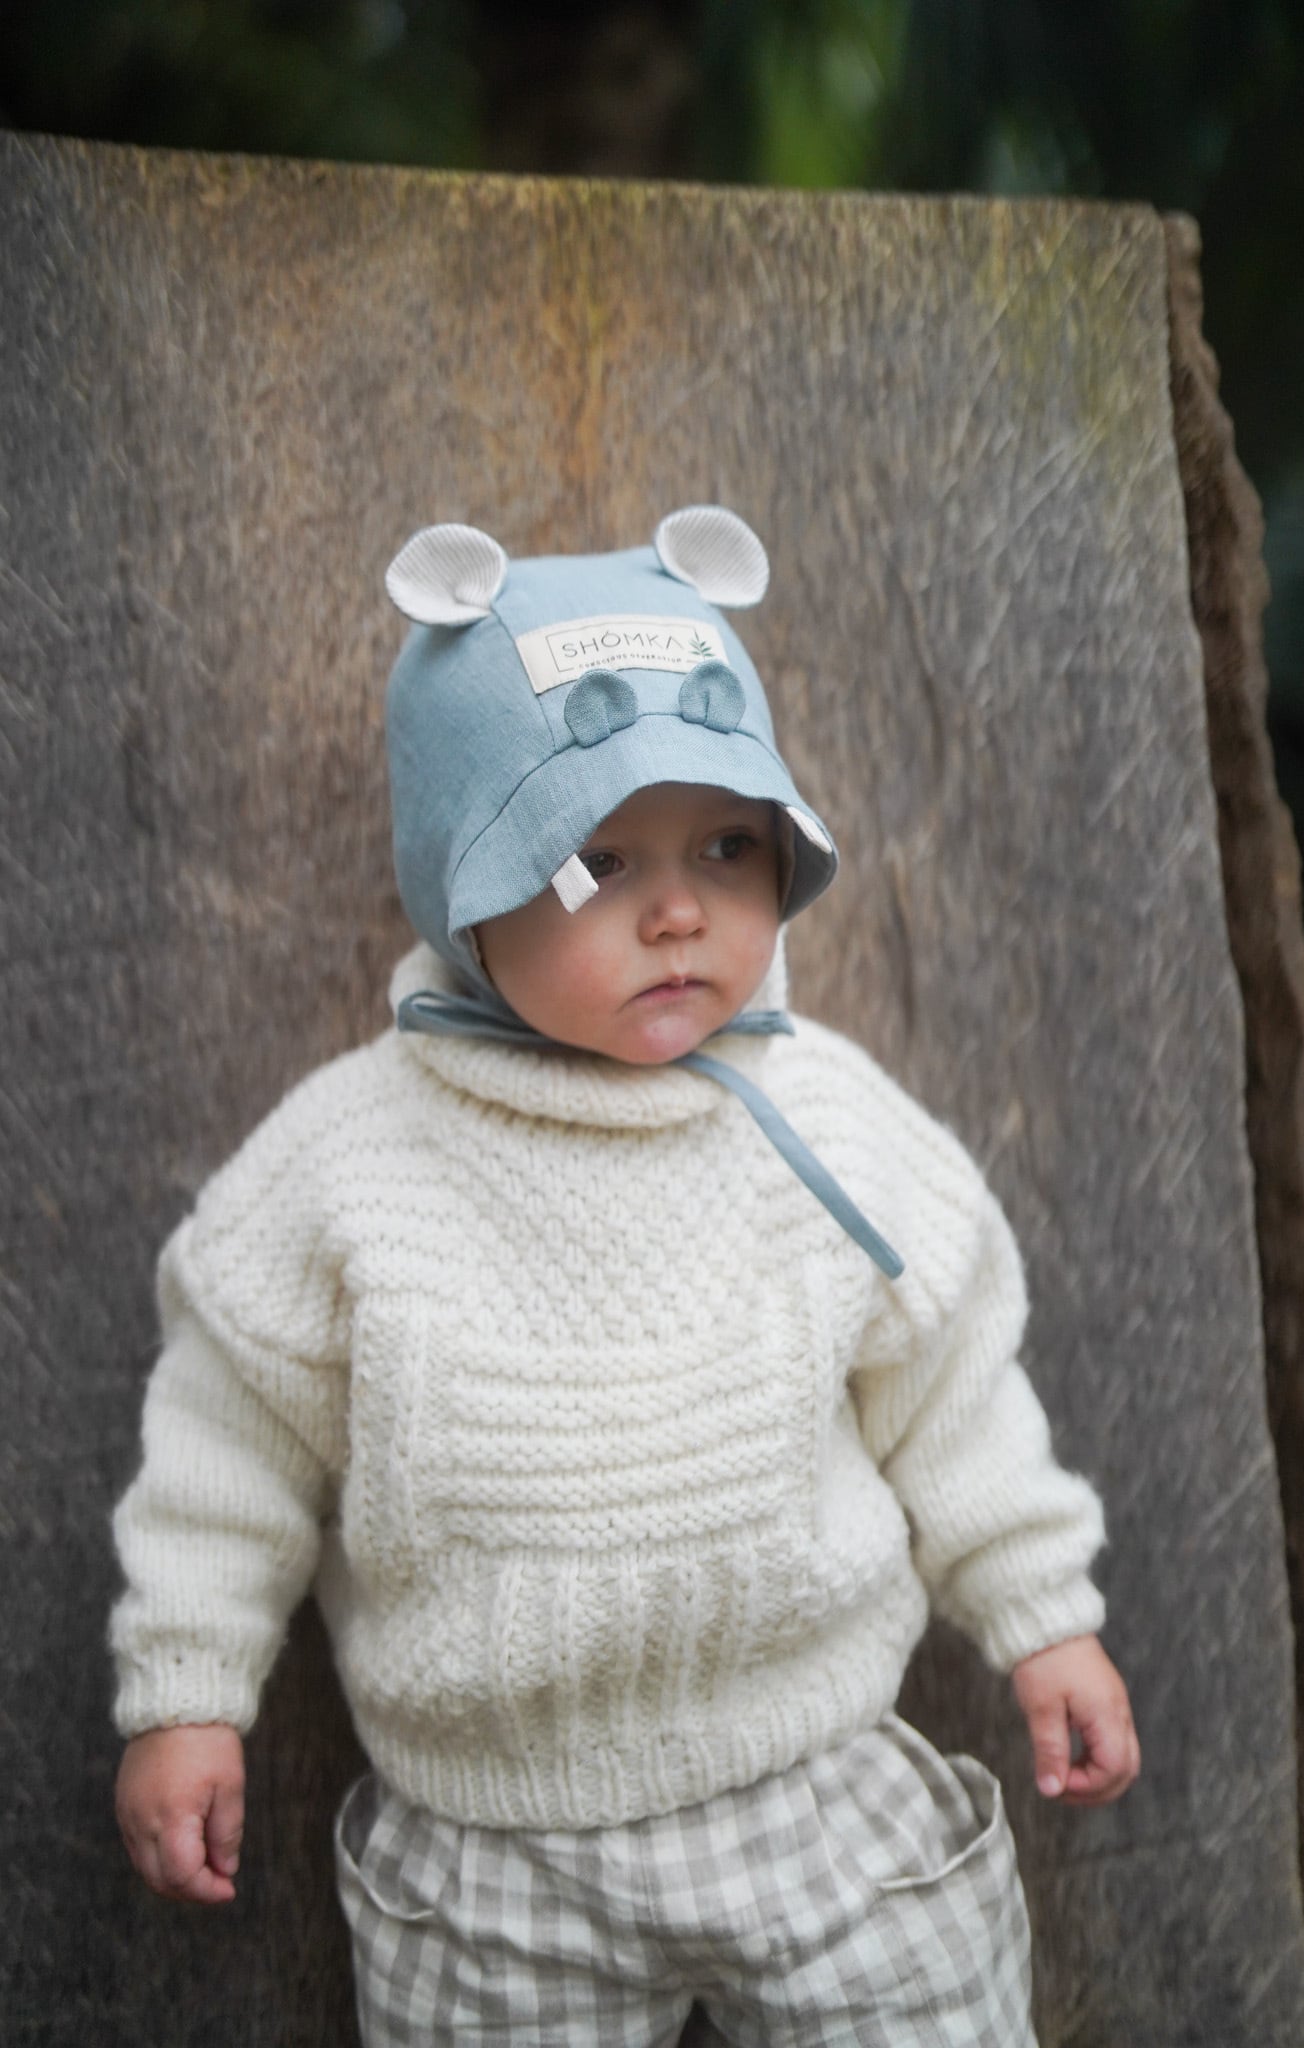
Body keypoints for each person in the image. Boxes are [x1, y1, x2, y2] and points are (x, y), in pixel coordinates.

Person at [111, 504, 1139, 2046]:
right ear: (464, 888)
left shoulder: (826, 1124)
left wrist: (1042, 1613)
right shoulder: (349, 1166)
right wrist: (189, 1692)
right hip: (493, 1851)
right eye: (594, 861)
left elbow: (951, 1394)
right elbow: (227, 1450)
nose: (676, 910)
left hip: (819, 1789)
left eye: (725, 846)